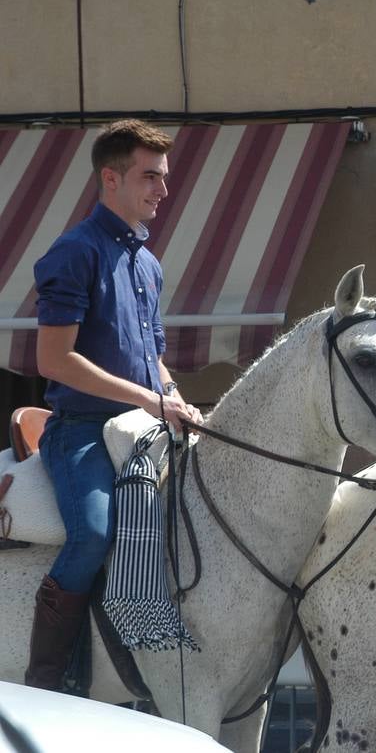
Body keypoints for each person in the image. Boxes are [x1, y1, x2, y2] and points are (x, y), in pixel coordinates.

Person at [26, 119, 202, 690]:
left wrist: (173, 396)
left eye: (164, 177)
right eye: (149, 176)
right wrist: (150, 399)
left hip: (139, 426)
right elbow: (54, 361)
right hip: (78, 431)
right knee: (96, 535)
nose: (162, 189)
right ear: (110, 178)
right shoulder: (74, 252)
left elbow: (153, 358)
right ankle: (48, 679)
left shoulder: (148, 262)